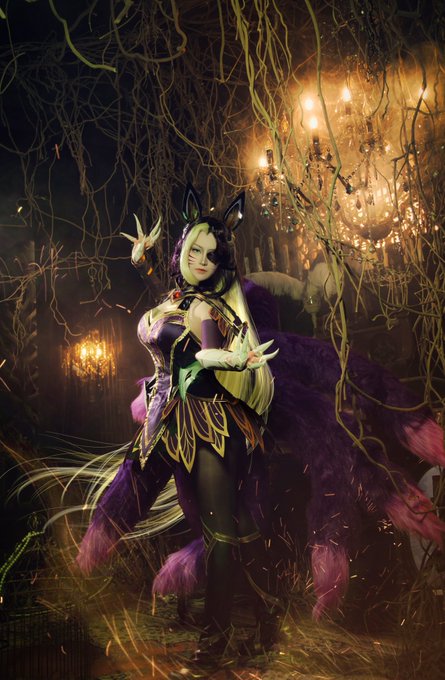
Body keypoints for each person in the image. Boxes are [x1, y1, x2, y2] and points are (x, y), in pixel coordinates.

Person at [76, 184, 282, 676]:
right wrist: (143, 263)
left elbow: (205, 350)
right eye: (195, 251)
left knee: (220, 534)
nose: (203, 261)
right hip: (169, 424)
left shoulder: (210, 309)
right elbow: (169, 316)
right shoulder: (178, 299)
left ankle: (217, 641)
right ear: (182, 250)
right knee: (227, 527)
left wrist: (228, 359)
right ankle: (267, 611)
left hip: (209, 426)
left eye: (212, 255)